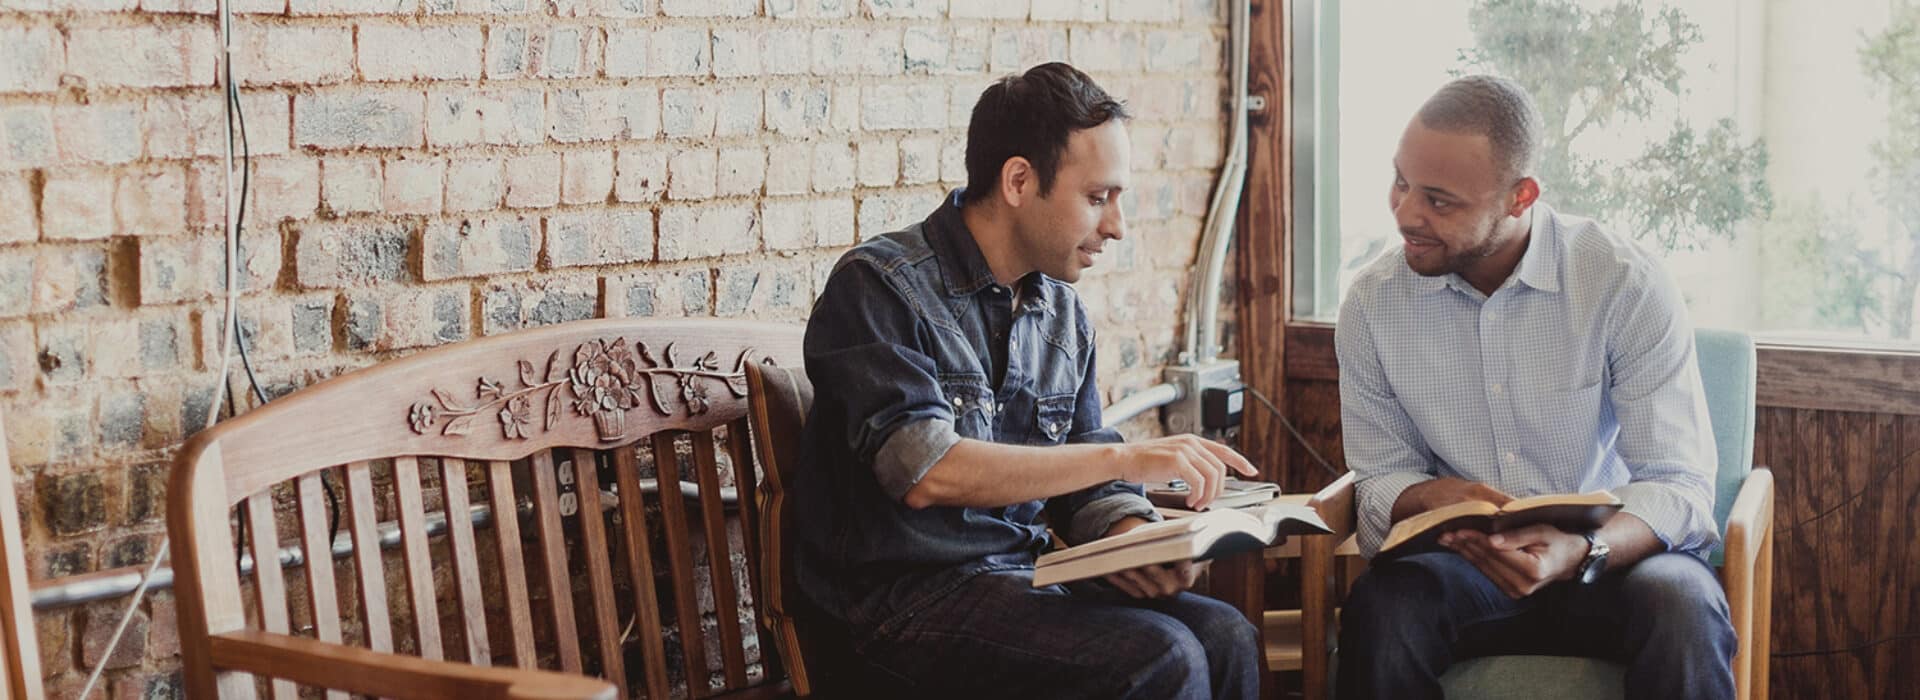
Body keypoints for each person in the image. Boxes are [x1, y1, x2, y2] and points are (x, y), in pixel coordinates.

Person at [789, 62, 1261, 699]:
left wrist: (1135, 543)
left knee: (1226, 635)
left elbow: (1089, 490)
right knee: (1160, 658)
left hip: (1021, 580)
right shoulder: (878, 285)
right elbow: (929, 472)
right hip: (893, 612)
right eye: (1098, 199)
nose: (1117, 226)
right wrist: (1125, 455)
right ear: (1018, 180)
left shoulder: (1061, 315)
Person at [1333, 74, 1736, 699]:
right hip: (1462, 565)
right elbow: (1380, 477)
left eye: (1440, 201)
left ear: (1519, 197)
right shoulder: (1373, 303)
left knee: (1685, 607)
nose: (1407, 213)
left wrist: (1584, 550)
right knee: (1384, 609)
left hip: (1613, 563)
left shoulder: (1622, 282)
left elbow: (1679, 485)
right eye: (1401, 182)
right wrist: (1439, 497)